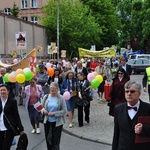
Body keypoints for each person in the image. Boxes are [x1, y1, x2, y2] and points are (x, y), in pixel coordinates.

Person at [112, 81, 150, 150]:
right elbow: (116, 133)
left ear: (139, 93)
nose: (129, 94)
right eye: (127, 91)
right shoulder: (118, 109)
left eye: (132, 91)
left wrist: (143, 129)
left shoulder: (148, 108)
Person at [41, 82, 67, 150]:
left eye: (54, 88)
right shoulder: (46, 97)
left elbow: (64, 111)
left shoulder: (61, 98)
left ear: (57, 89)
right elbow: (41, 107)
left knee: (55, 141)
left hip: (57, 123)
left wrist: (54, 113)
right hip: (47, 122)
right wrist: (44, 111)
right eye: (51, 88)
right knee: (48, 139)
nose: (52, 90)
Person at [0, 83, 24, 150]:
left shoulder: (12, 101)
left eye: (4, 90)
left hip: (9, 128)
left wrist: (21, 128)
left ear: (8, 91)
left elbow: (16, 115)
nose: (2, 92)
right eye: (1, 90)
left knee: (5, 147)